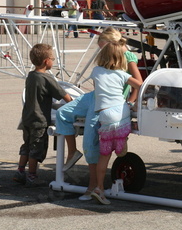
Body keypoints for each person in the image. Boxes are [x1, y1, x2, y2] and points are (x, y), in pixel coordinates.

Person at [55, 27, 142, 201]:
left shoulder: (128, 57)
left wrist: (131, 101)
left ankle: (93, 186)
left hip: (108, 104)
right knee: (62, 113)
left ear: (110, 45)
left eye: (102, 47)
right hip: (96, 98)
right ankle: (72, 151)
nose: (101, 51)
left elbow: (138, 83)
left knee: (91, 142)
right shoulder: (106, 63)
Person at [89, 29, 142, 204]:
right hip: (120, 111)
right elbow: (140, 84)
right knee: (122, 135)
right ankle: (121, 145)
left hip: (103, 115)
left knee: (104, 155)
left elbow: (97, 86)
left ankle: (99, 188)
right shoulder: (122, 74)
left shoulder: (96, 71)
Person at [13, 44, 73, 187]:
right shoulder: (47, 79)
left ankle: (20, 171)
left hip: (27, 118)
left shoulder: (31, 76)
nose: (53, 61)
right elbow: (65, 96)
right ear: (46, 61)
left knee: (27, 145)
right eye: (52, 58)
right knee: (37, 147)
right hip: (39, 120)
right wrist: (74, 104)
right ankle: (32, 176)